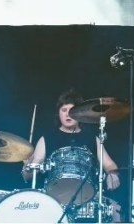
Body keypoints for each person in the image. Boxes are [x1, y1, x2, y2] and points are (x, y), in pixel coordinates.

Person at [22, 88, 121, 217]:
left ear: (80, 113)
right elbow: (31, 173)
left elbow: (109, 164)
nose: (67, 114)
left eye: (72, 110)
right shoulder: (47, 138)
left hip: (86, 198)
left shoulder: (91, 137)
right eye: (63, 110)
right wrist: (27, 167)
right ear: (58, 114)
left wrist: (112, 174)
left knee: (115, 212)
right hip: (53, 199)